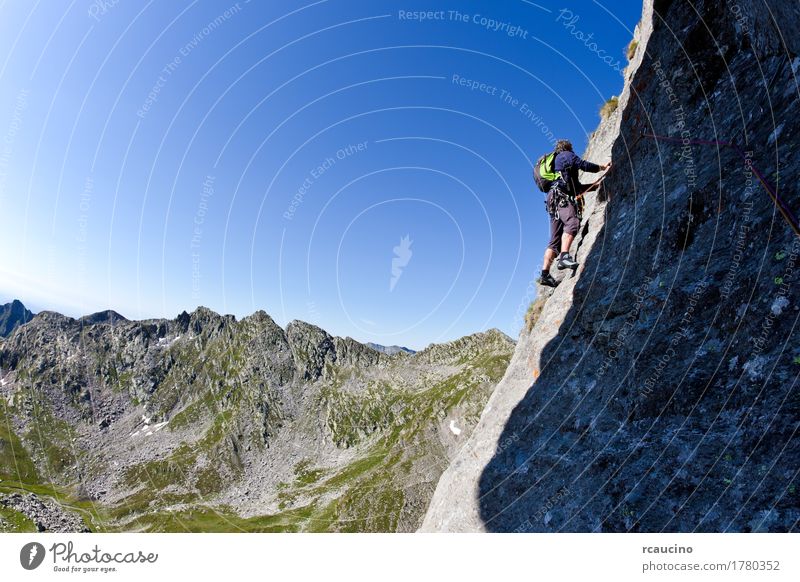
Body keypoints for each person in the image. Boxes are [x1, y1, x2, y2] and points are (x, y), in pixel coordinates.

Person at [538, 139, 611, 287]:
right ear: (568, 148)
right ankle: (564, 256)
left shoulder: (559, 170)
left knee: (554, 240)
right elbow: (583, 165)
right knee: (572, 223)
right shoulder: (565, 155)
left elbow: (577, 188)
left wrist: (594, 186)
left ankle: (544, 275)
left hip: (552, 201)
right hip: (561, 198)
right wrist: (603, 167)